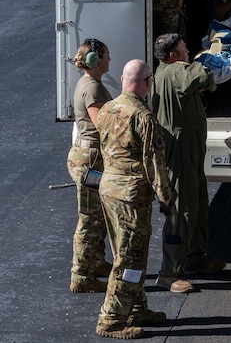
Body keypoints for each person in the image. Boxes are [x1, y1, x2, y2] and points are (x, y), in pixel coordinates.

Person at [96, 59, 174, 340]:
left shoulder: (107, 108)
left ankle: (137, 308)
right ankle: (112, 319)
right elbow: (155, 163)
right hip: (131, 196)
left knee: (125, 252)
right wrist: (166, 198)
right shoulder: (143, 117)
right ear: (147, 83)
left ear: (122, 79)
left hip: (109, 190)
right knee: (131, 259)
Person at [150, 33, 226, 294]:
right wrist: (200, 61)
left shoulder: (169, 72)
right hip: (180, 150)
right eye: (184, 50)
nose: (187, 52)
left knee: (196, 202)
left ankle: (195, 259)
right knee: (181, 210)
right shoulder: (174, 71)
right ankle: (170, 273)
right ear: (173, 55)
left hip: (189, 149)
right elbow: (201, 77)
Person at [66, 38, 114, 294]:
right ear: (96, 60)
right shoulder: (92, 89)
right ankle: (81, 276)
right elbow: (102, 125)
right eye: (106, 55)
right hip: (92, 159)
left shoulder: (91, 84)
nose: (109, 59)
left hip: (92, 157)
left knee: (98, 216)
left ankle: (95, 263)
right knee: (90, 219)